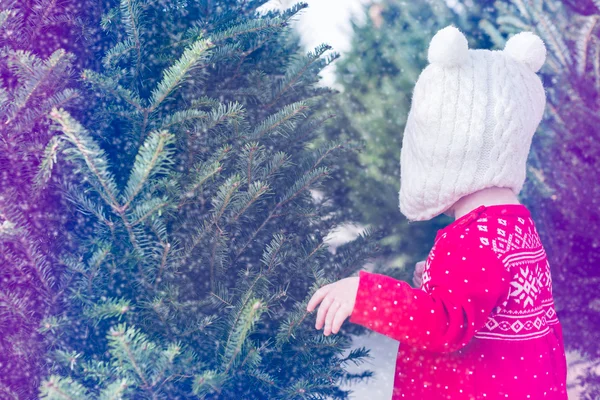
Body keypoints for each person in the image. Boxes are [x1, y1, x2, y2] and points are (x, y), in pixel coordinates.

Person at [306, 25, 568, 399]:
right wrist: (438, 283)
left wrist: (364, 294)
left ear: (447, 150)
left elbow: (446, 324)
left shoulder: (472, 239)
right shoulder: (516, 226)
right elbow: (494, 308)